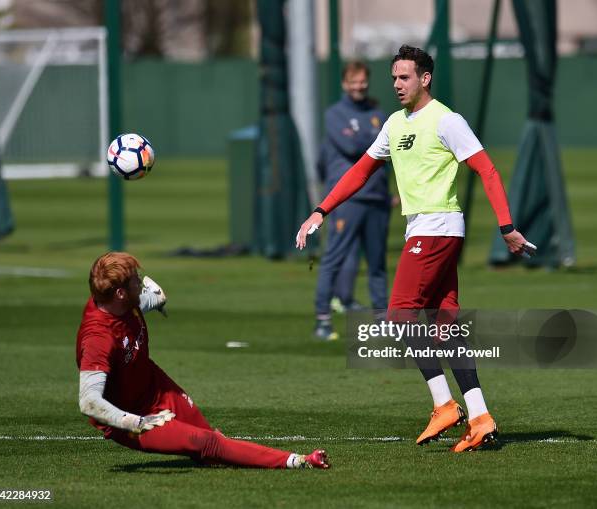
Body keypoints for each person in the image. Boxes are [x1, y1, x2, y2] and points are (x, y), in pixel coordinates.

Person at [296, 45, 534, 452]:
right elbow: (361, 171)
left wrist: (506, 226)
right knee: (445, 329)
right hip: (426, 230)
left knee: (401, 313)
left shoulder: (447, 120)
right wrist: (321, 210)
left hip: (437, 227)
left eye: (404, 77)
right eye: (393, 78)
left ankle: (444, 405)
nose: (396, 85)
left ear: (424, 79)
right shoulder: (393, 123)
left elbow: (487, 170)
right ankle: (481, 417)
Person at [76, 252, 329, 469]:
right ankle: (298, 460)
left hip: (155, 386)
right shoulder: (98, 337)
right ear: (120, 293)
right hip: (131, 417)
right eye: (134, 281)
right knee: (208, 444)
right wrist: (135, 421)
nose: (140, 282)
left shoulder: (120, 302)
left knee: (211, 447)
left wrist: (157, 298)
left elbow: (140, 302)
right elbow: (89, 401)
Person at [313, 61, 391, 341]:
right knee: (334, 258)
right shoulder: (335, 114)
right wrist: (376, 141)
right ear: (345, 84)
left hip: (378, 198)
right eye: (353, 81)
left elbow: (389, 153)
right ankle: (322, 319)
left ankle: (383, 319)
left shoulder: (378, 113)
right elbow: (350, 146)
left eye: (362, 81)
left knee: (377, 262)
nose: (358, 86)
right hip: (348, 199)